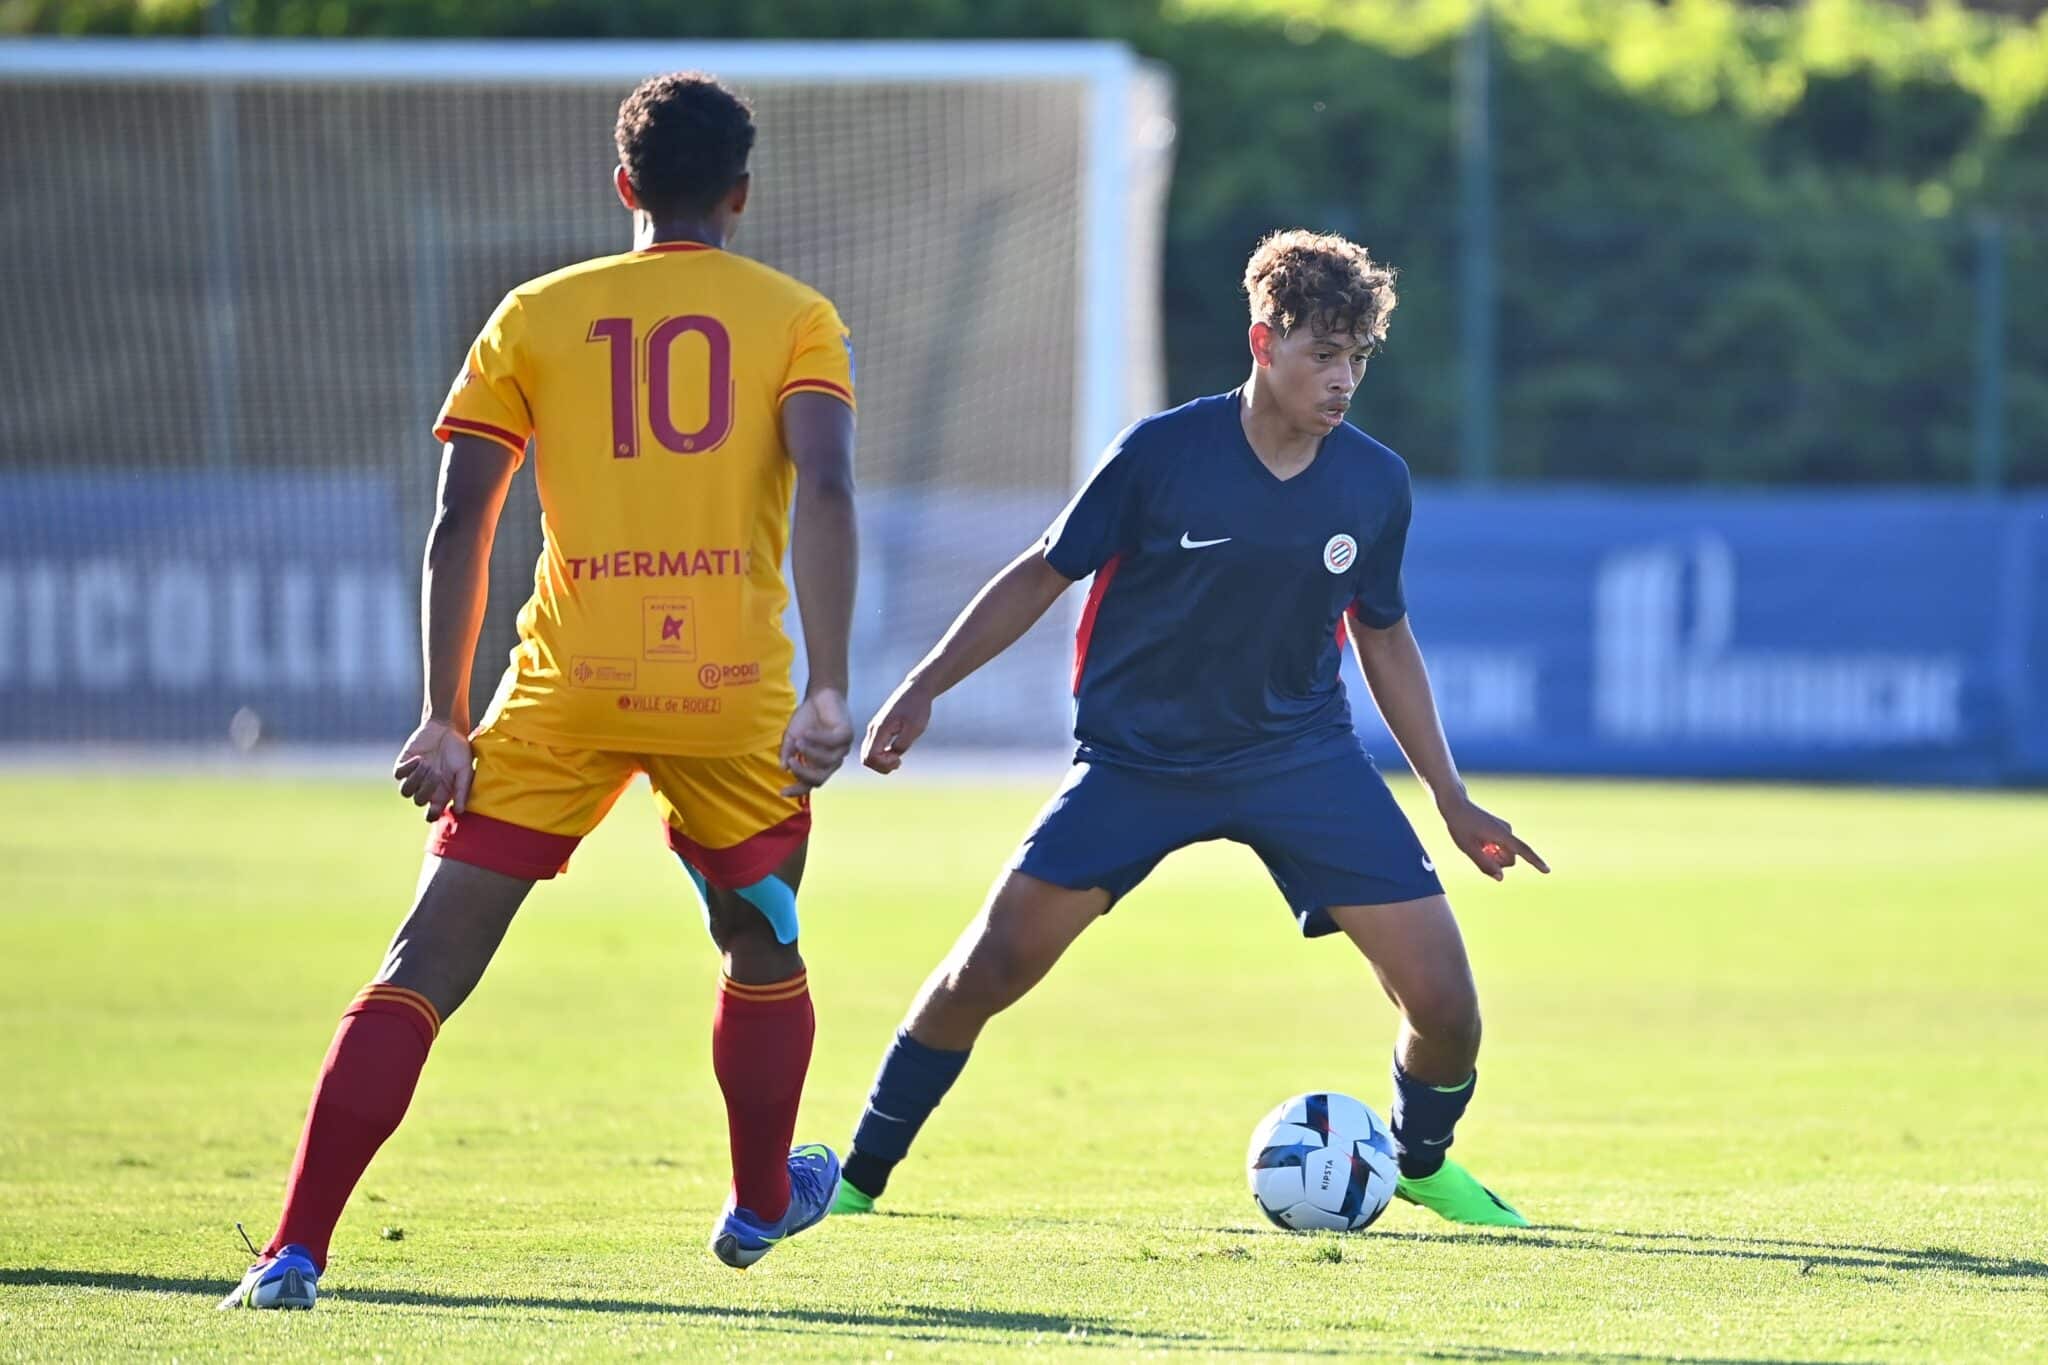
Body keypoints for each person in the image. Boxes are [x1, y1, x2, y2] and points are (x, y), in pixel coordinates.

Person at [224, 71, 859, 1310]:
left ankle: (293, 1251)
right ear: (740, 192)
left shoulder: (533, 314)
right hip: (730, 699)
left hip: (568, 689)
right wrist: (828, 689)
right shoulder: (798, 318)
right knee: (761, 941)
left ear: (623, 186)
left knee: (421, 967)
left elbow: (462, 518)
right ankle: (756, 1199)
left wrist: (441, 716)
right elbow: (828, 491)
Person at [832, 229, 1544, 1229]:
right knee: (985, 971)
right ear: (1263, 343)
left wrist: (1450, 795)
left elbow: (1381, 634)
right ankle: (857, 1179)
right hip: (1139, 765)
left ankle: (1418, 1162)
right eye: (1321, 355)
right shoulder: (1160, 453)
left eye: (1357, 358)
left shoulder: (1373, 482)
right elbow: (1043, 570)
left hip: (1298, 758)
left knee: (1445, 1004)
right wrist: (924, 684)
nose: (1342, 380)